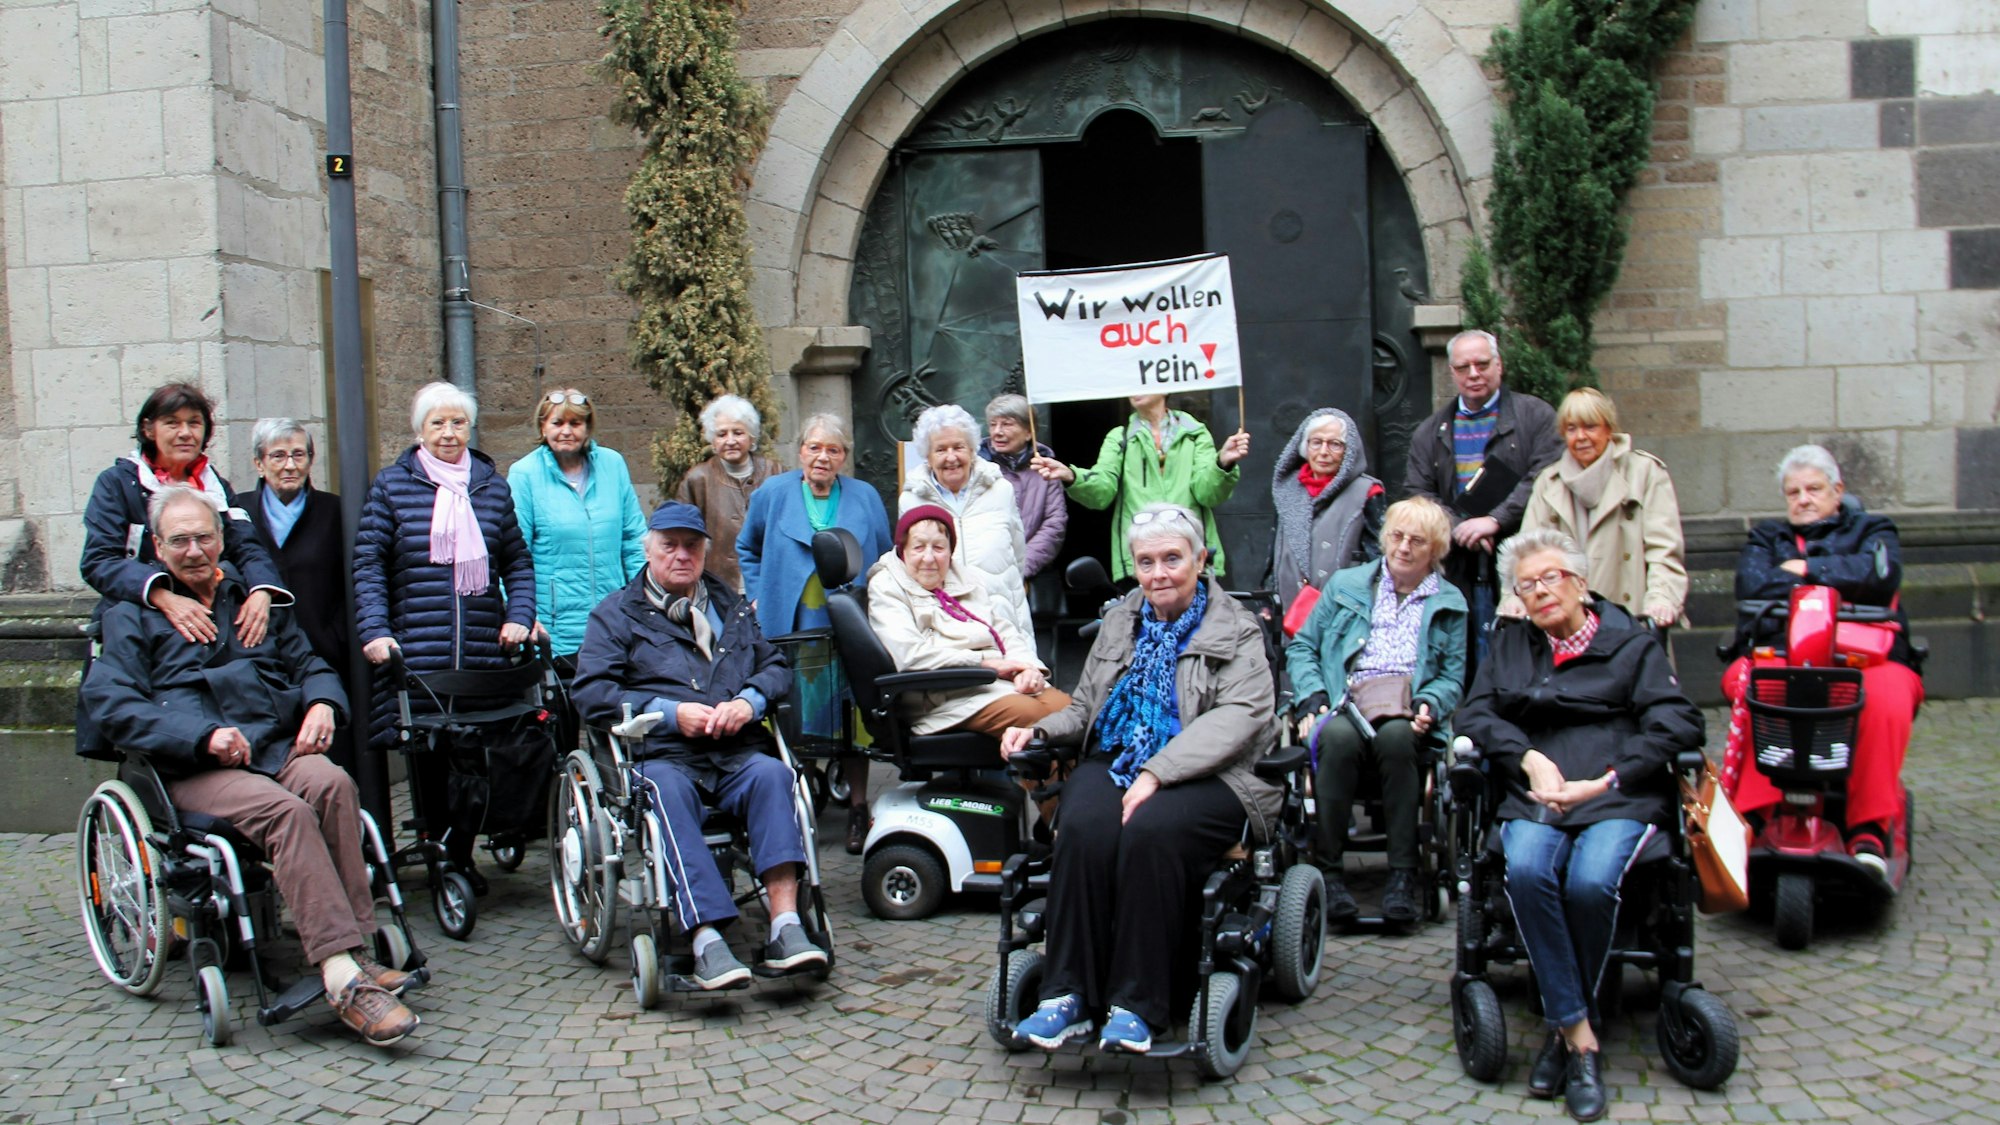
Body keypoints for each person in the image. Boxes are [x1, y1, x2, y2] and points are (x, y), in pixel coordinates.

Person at [82, 486, 419, 1046]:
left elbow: (310, 662)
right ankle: (342, 978)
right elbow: (113, 705)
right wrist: (203, 736)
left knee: (333, 783)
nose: (195, 550)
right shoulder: (128, 614)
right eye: (180, 540)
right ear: (158, 549)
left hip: (269, 745)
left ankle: (358, 947)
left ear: (222, 538)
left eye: (205, 537)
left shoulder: (249, 598)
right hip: (191, 767)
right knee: (284, 811)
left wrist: (321, 704)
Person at [997, 502, 1278, 1055]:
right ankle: (1068, 995)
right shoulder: (1122, 619)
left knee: (1151, 833)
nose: (1158, 574)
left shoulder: (1236, 628)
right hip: (1118, 757)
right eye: (1146, 562)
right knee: (1081, 826)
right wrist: (1042, 732)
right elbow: (1084, 707)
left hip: (1212, 773)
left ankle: (1137, 1005)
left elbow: (1240, 717)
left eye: (1172, 559)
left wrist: (1158, 770)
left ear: (1201, 559)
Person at [1454, 528, 1703, 1122]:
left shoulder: (1631, 644)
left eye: (1551, 579)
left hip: (1615, 794)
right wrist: (1527, 757)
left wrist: (1612, 776)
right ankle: (1582, 1040)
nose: (1540, 593)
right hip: (1538, 794)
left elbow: (1679, 722)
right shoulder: (1512, 645)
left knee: (1591, 881)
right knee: (1531, 869)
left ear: (1580, 583)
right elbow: (1476, 712)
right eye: (1527, 586)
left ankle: (1562, 1033)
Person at [572, 502, 826, 988]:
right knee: (666, 794)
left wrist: (749, 702)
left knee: (775, 776)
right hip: (661, 754)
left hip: (733, 749)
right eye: (670, 546)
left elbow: (774, 667)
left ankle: (786, 926)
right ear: (649, 550)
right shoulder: (616, 615)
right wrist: (669, 713)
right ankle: (707, 939)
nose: (682, 555)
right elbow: (591, 692)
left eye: (692, 546)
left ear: (705, 552)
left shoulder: (729, 607)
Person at [353, 381, 536, 890]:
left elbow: (517, 561)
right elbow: (369, 564)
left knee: (474, 755)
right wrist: (375, 630)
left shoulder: (491, 487)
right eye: (438, 423)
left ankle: (459, 854)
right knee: (429, 755)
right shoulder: (392, 486)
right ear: (419, 431)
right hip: (416, 651)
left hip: (482, 651)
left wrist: (518, 614)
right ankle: (442, 854)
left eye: (458, 422)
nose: (450, 432)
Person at [1721, 444, 1921, 875]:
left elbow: (1879, 576)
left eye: (1814, 489)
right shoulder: (1766, 537)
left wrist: (1804, 568)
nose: (1803, 499)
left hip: (1867, 659)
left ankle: (1869, 829)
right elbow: (1751, 584)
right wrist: (1841, 576)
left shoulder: (1874, 529)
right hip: (1778, 651)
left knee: (1884, 698)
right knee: (1758, 687)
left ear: (1838, 491)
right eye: (1793, 492)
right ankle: (1755, 813)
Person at [1285, 497, 1465, 926]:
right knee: (1336, 738)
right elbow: (1303, 647)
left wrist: (1430, 703)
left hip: (1405, 705)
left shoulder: (1450, 602)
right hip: (1345, 699)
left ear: (1435, 550)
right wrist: (1312, 697)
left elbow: (1452, 676)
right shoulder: (1346, 585)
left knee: (1399, 738)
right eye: (1397, 536)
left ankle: (1403, 874)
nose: (1403, 547)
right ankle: (1328, 871)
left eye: (1416, 541)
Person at [738, 413, 893, 854]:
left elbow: (883, 557)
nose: (823, 457)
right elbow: (747, 546)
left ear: (844, 456)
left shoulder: (863, 497)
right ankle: (797, 804)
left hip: (848, 625)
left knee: (853, 719)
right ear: (800, 450)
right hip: (792, 624)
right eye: (814, 447)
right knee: (794, 716)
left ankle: (859, 809)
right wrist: (756, 592)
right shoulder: (773, 493)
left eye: (834, 450)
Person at [80, 383, 287, 646]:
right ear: (148, 429)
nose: (185, 433)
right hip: (137, 622)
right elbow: (99, 561)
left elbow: (246, 546)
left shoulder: (216, 486)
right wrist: (163, 597)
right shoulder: (117, 484)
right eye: (172, 423)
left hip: (210, 615)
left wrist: (262, 590)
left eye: (194, 423)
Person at [1403, 331, 1562, 667]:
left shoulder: (1535, 417)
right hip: (1456, 564)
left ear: (1499, 365)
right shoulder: (1430, 432)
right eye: (1463, 367)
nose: (1473, 373)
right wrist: (1461, 527)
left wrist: (1495, 519)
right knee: (1463, 656)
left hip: (1523, 555)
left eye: (1482, 364)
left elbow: (1546, 476)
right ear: (1452, 373)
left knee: (1524, 655)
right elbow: (1420, 493)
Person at [866, 505, 1071, 736]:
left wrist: (1027, 669)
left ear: (951, 551)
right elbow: (910, 655)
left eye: (939, 547)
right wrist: (986, 663)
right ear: (903, 550)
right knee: (1037, 718)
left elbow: (1003, 630)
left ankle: (1052, 773)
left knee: (1069, 714)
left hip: (992, 685)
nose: (929, 557)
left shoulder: (965, 578)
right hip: (940, 699)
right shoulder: (887, 585)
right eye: (919, 547)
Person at [1030, 394, 1249, 582]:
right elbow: (1102, 492)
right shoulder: (1120, 437)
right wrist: (1071, 476)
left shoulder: (1196, 434)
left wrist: (1223, 463)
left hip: (1190, 555)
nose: (1135, 391)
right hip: (1142, 559)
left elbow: (1207, 493)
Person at [1515, 388, 1686, 629]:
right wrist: (1515, 600)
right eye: (1572, 429)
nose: (1581, 437)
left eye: (1590, 426)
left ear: (1609, 429)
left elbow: (1664, 551)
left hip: (1630, 620)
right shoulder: (1548, 482)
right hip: (1566, 624)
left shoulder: (1645, 473)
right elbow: (1527, 552)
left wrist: (1661, 599)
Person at [240, 418, 356, 764]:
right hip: (260, 655)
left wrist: (337, 637)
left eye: (298, 455)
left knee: (331, 754)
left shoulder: (337, 512)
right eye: (277, 456)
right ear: (259, 464)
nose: (289, 465)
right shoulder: (238, 511)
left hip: (325, 655)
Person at [507, 388, 646, 669]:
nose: (566, 431)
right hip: (553, 628)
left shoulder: (613, 464)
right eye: (557, 423)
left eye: (575, 423)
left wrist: (644, 602)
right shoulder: (524, 474)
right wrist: (521, 615)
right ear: (543, 426)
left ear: (587, 427)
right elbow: (512, 554)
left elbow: (634, 541)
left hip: (613, 620)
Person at [899, 404, 1033, 649]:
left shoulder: (1001, 489)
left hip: (1006, 624)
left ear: (972, 450)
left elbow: (1018, 554)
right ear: (928, 456)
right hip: (946, 631)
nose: (951, 457)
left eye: (958, 447)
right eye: (940, 449)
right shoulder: (911, 499)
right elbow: (909, 564)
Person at [1269, 407, 1385, 614]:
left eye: (1335, 444)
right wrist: (1268, 600)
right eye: (1316, 442)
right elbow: (1274, 552)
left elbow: (1377, 556)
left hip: (1345, 610)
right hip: (1291, 610)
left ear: (1348, 451)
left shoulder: (1367, 491)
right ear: (1305, 447)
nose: (1324, 452)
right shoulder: (1288, 490)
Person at [676, 394, 783, 593]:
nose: (730, 440)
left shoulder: (775, 472)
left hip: (769, 583)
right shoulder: (698, 479)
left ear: (752, 437)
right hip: (718, 585)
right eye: (722, 434)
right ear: (713, 441)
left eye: (738, 432)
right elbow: (685, 533)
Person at [978, 394, 1067, 581]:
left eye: (1007, 424)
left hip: (1028, 576)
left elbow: (1054, 524)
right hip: (981, 574)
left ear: (1028, 432)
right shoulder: (977, 468)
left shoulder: (1045, 470)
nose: (997, 432)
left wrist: (1022, 567)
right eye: (993, 424)